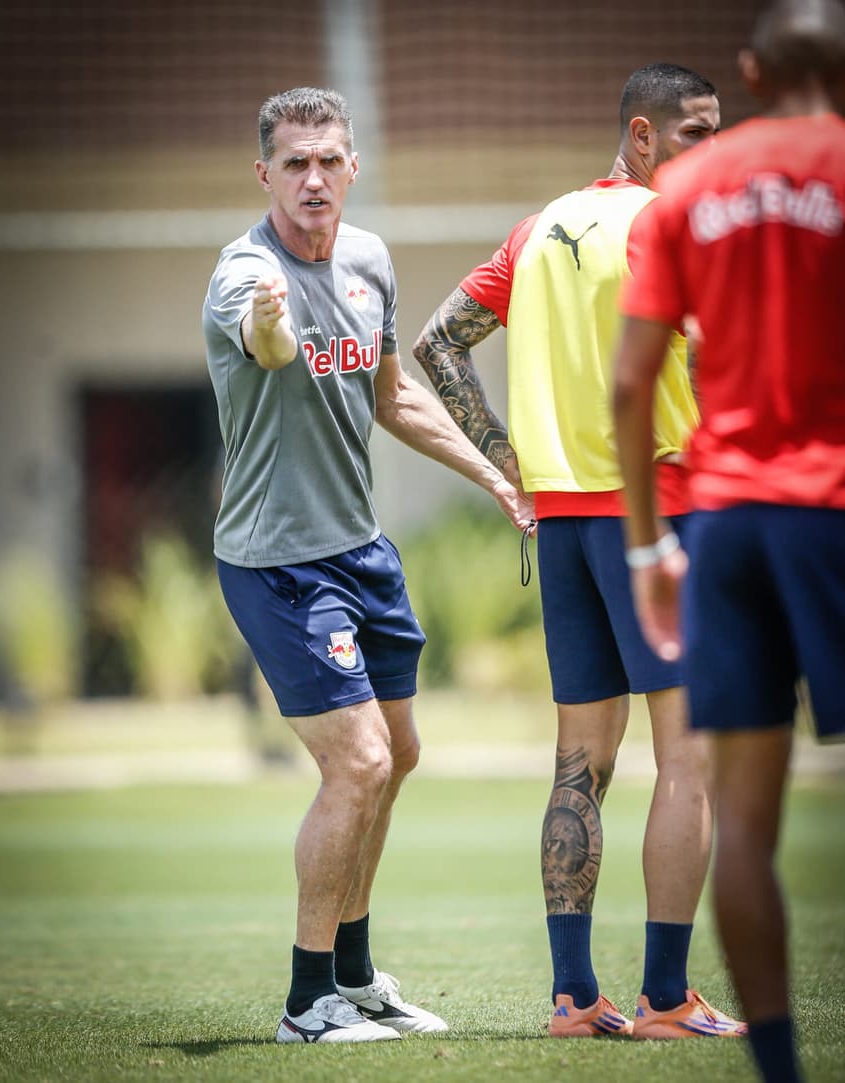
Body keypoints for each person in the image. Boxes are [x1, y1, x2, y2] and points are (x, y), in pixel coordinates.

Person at [413, 63, 746, 1040]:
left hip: (561, 526)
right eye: (695, 133)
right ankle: (666, 998)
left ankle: (572, 997)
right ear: (641, 134)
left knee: (579, 764)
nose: (711, 152)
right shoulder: (674, 226)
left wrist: (505, 456)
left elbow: (438, 343)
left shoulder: (538, 230)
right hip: (660, 514)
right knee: (688, 757)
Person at [202, 86, 534, 1045]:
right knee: (359, 762)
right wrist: (273, 319)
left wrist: (495, 474)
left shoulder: (369, 260)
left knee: (400, 754)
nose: (313, 178)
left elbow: (394, 396)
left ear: (352, 167)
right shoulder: (243, 274)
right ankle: (307, 1002)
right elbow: (268, 346)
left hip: (361, 549)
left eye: (328, 160)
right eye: (294, 163)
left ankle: (353, 976)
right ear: (264, 173)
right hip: (279, 563)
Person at [612, 4, 845, 1080]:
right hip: (832, 512)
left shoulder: (688, 191)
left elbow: (631, 386)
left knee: (743, 824)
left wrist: (649, 551)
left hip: (730, 523)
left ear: (750, 74)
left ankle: (782, 1071)